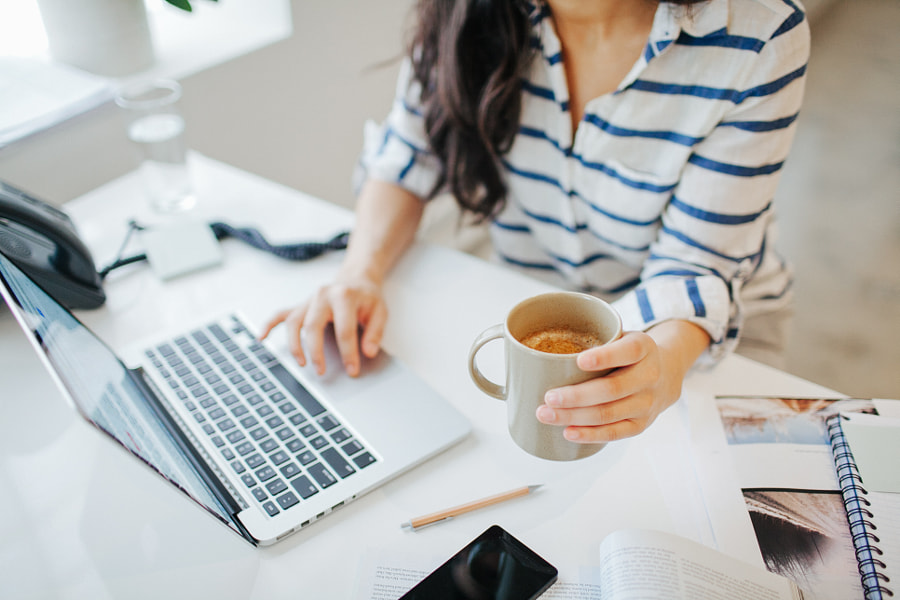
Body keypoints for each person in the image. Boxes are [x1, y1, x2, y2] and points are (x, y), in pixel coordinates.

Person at [262, 0, 810, 445]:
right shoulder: (463, 13)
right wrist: (360, 273)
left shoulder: (760, 31)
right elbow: (408, 155)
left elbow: (694, 268)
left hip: (700, 339)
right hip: (540, 303)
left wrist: (662, 367)